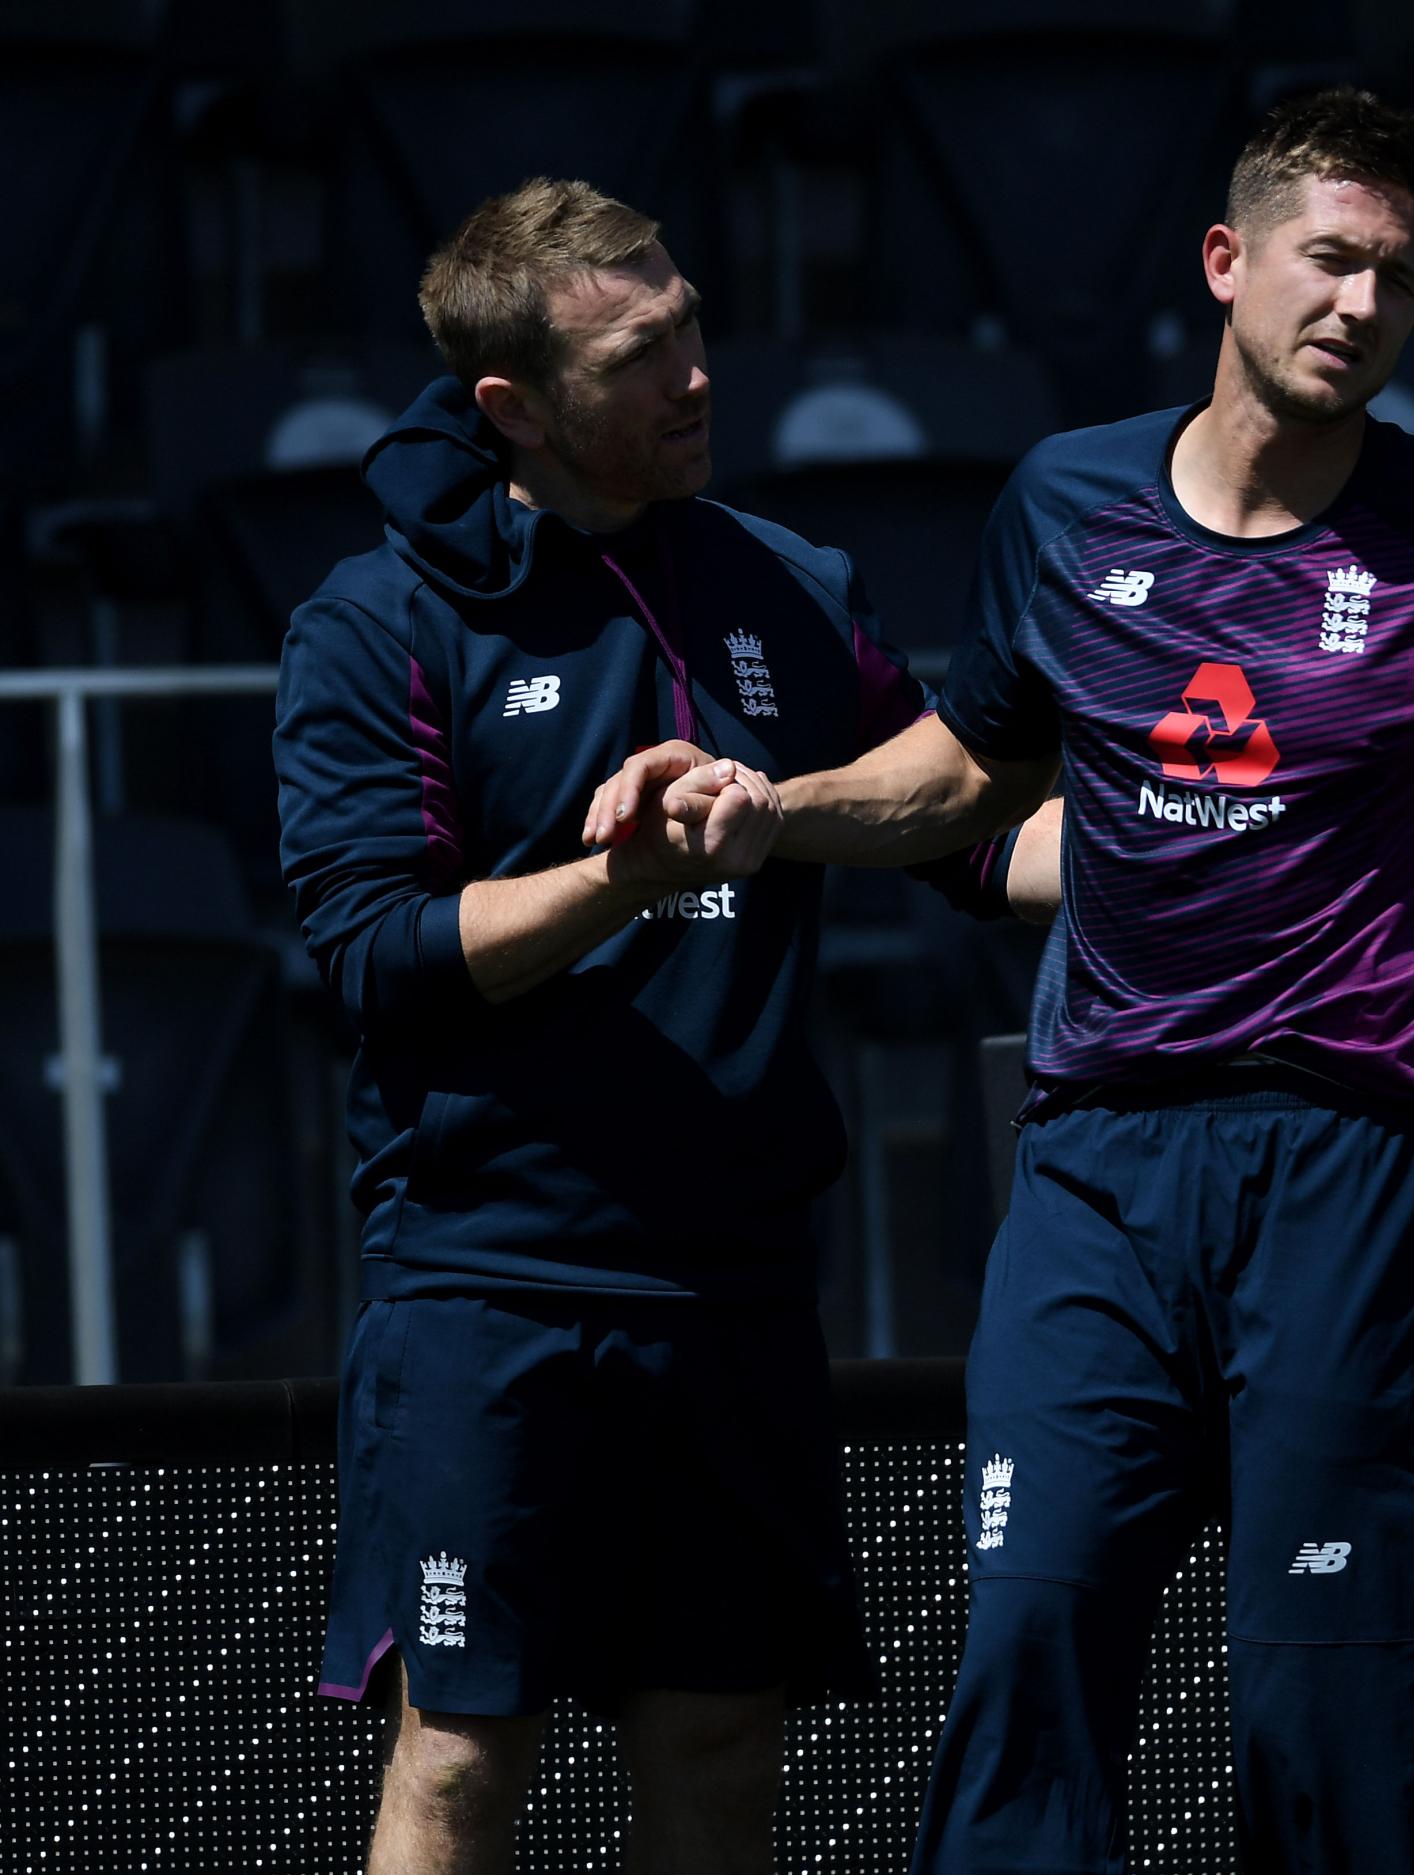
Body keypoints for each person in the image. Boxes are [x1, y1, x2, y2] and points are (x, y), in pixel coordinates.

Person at [589, 87, 1414, 1874]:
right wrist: (774, 805)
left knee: (1338, 1719)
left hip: (1362, 1177)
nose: (1362, 306)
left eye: (1400, 279)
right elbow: (965, 771)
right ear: (1229, 262)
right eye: (1330, 259)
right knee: (1026, 1656)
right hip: (1094, 1173)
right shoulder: (1064, 502)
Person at [275, 177, 1045, 1875]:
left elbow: (966, 836)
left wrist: (1229, 834)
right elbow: (377, 951)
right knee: (466, 1748)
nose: (699, 373)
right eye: (642, 354)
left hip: (738, 1285)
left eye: (694, 322)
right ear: (514, 409)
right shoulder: (375, 622)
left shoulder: (788, 579)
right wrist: (617, 881)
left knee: (719, 1732)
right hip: (489, 1285)